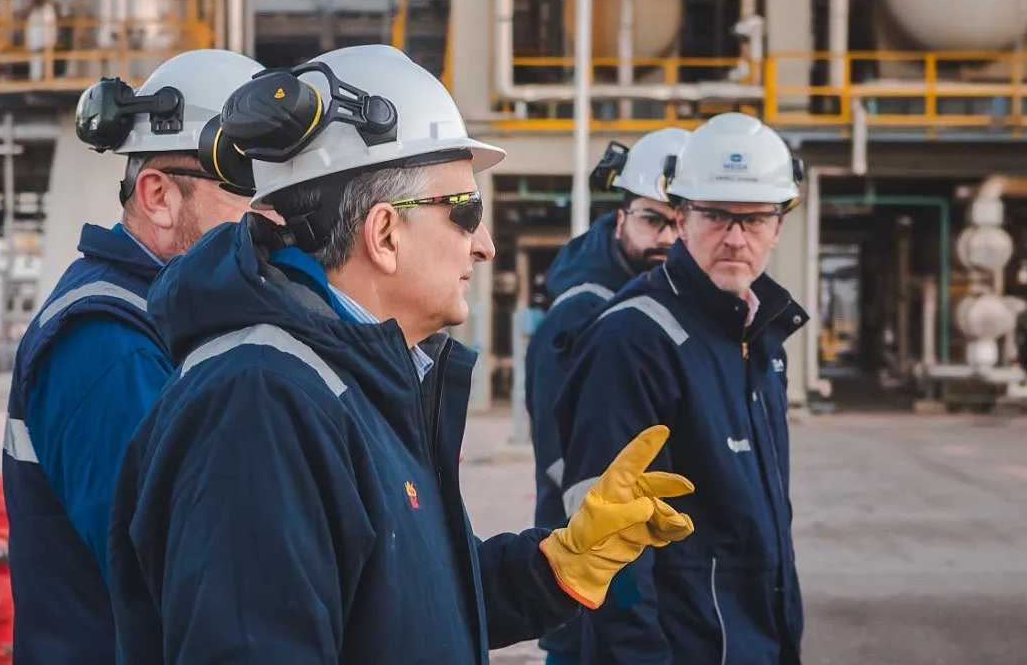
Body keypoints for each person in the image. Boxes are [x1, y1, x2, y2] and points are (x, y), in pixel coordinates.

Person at [107, 44, 698, 663]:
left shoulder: (355, 381)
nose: (486, 246)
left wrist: (556, 564)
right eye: (466, 213)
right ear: (384, 234)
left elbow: (410, 605)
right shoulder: (259, 403)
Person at [2, 48, 272, 664]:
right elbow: (177, 572)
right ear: (157, 195)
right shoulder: (107, 343)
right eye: (250, 184)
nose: (274, 214)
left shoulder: (182, 321)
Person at [552, 112, 808, 665]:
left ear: (779, 225)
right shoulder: (634, 339)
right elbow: (610, 547)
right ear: (683, 216)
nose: (736, 238)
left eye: (756, 219)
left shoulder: (761, 339)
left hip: (755, 642)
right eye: (716, 216)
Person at [525, 127, 689, 665]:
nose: (668, 236)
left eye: (681, 220)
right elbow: (566, 461)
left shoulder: (659, 298)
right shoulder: (585, 311)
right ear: (621, 219)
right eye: (653, 219)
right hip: (594, 574)